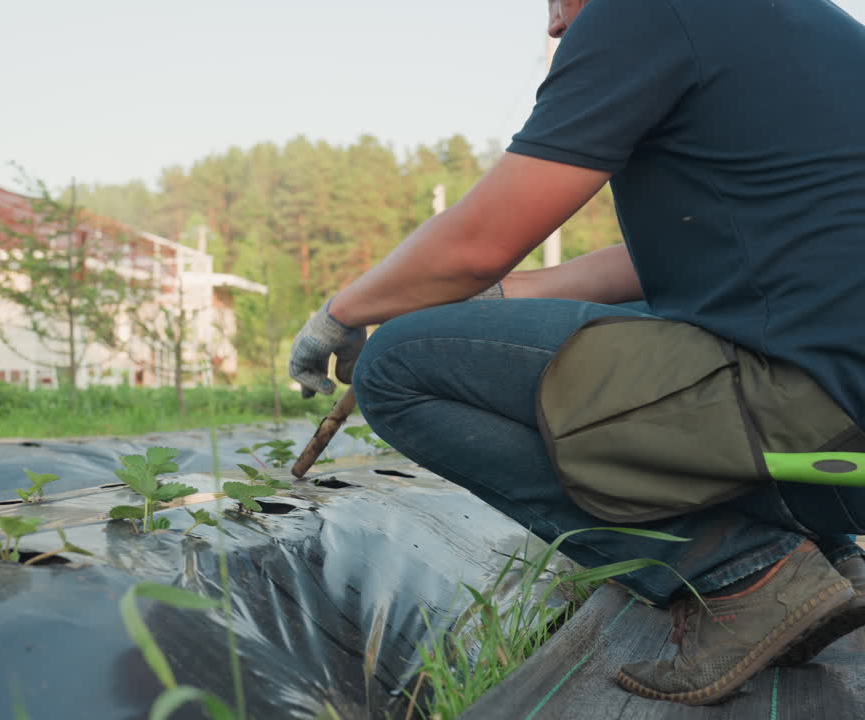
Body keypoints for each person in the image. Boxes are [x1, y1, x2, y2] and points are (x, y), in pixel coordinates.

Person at [288, 0, 865, 706]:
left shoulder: (647, 13)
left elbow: (477, 244)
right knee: (653, 314)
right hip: (843, 455)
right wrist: (497, 302)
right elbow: (681, 256)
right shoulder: (811, 24)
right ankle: (824, 544)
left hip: (814, 415)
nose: (556, 25)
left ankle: (743, 575)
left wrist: (341, 313)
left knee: (401, 367)